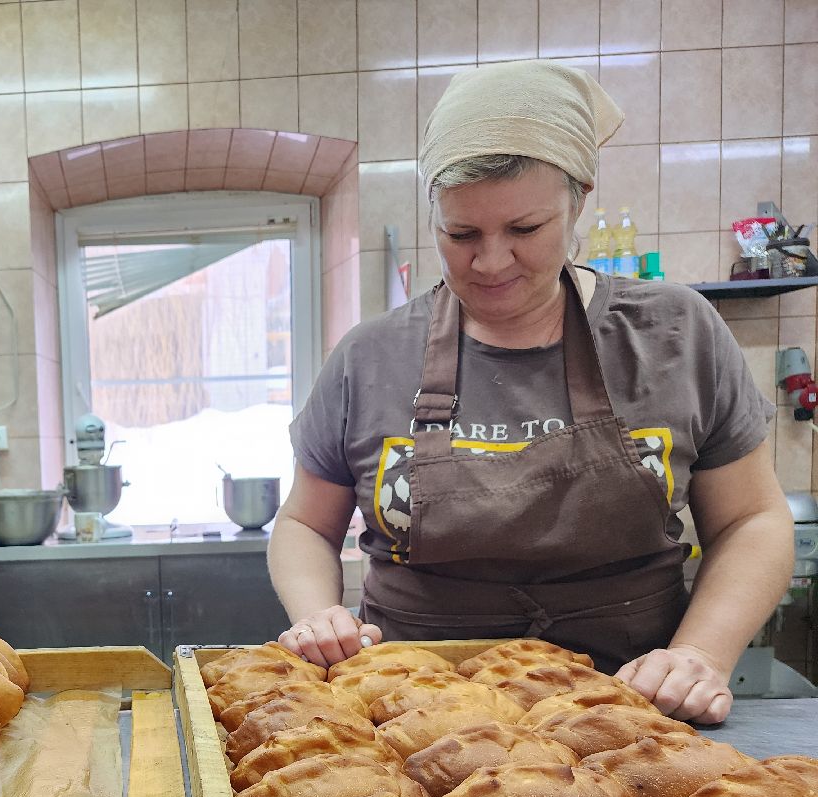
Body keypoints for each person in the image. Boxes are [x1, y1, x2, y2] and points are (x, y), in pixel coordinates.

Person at [268, 59, 793, 727]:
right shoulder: (369, 358)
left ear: (579, 199)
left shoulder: (675, 334)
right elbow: (305, 525)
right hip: (413, 721)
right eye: (460, 235)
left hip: (630, 715)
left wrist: (700, 654)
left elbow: (752, 521)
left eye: (524, 230)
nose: (490, 262)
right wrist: (319, 616)